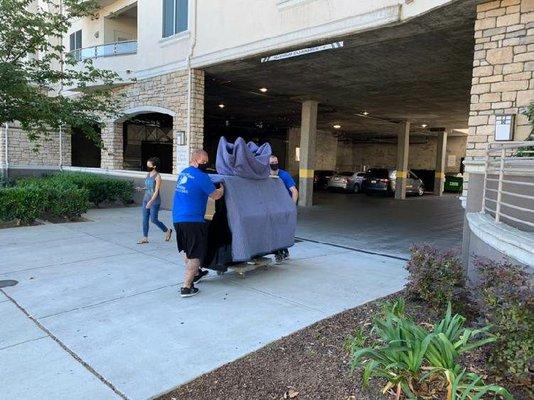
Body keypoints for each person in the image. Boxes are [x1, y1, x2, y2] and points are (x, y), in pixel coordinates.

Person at [172, 149, 224, 298]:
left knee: (188, 249)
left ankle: (197, 272)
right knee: (195, 255)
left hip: (178, 218)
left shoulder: (184, 173)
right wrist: (222, 188)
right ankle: (186, 287)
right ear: (195, 160)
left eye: (207, 161)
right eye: (203, 161)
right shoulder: (202, 177)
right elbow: (215, 196)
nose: (205, 163)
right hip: (193, 220)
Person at [269, 155, 298, 262]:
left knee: (279, 231)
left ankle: (281, 252)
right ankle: (281, 251)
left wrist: (292, 206)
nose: (275, 164)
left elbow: (294, 191)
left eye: (276, 162)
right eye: (272, 162)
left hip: (283, 207)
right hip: (271, 208)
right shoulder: (265, 176)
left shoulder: (284, 175)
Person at [137, 157, 172, 244]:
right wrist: (141, 188)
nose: (147, 166)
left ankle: (167, 231)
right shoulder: (148, 174)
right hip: (146, 199)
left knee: (153, 219)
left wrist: (151, 202)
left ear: (154, 166)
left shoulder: (158, 176)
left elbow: (156, 191)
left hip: (154, 201)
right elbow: (149, 187)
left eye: (149, 165)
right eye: (147, 165)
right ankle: (145, 238)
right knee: (145, 219)